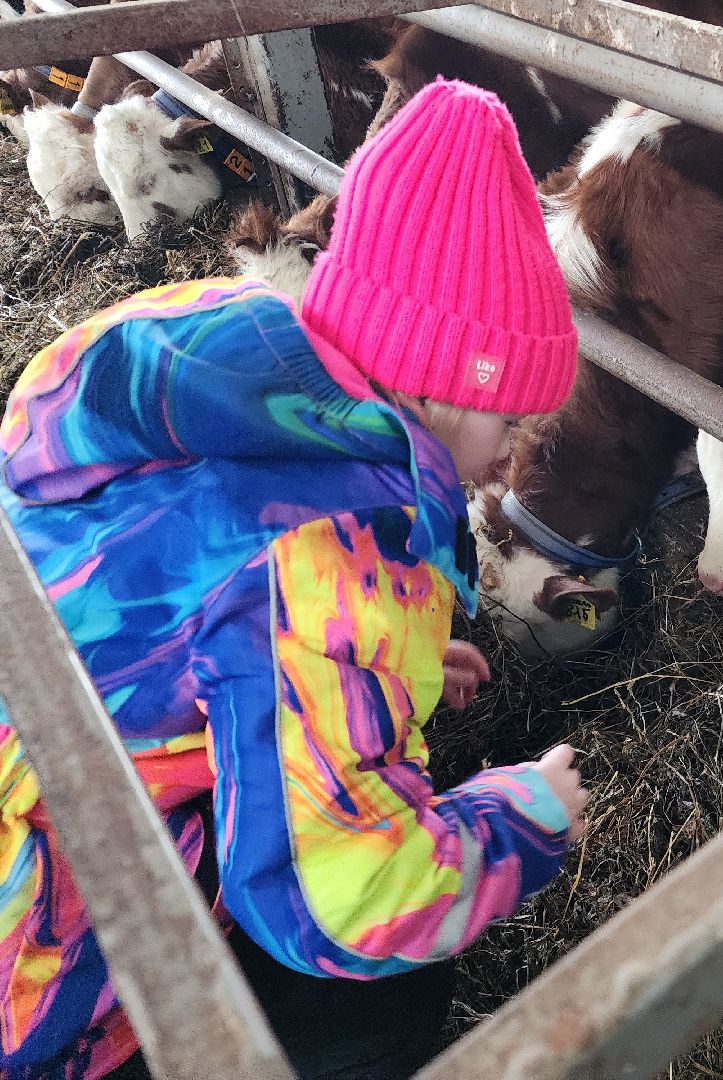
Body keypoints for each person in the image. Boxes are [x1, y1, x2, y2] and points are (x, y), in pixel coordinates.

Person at [0, 79, 589, 1079]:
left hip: (36, 751)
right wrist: (523, 820)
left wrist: (380, 660)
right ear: (441, 383)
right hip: (42, 963)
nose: (515, 462)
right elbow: (340, 906)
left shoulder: (201, 349)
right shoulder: (333, 564)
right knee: (384, 985)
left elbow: (199, 597)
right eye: (512, 424)